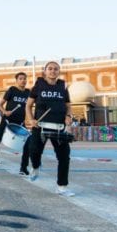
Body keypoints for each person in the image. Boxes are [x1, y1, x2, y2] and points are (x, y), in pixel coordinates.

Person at [24, 61, 75, 196]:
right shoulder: (38, 85)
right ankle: (35, 166)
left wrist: (69, 116)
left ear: (59, 71)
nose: (53, 71)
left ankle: (62, 186)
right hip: (40, 126)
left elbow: (68, 105)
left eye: (56, 69)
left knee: (64, 157)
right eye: (50, 69)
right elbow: (28, 106)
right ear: (45, 71)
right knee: (34, 151)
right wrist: (31, 119)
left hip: (59, 127)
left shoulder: (63, 86)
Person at [0, 72, 31, 174]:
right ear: (16, 81)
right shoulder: (12, 90)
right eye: (20, 79)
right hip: (7, 121)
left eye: (24, 78)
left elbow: (29, 107)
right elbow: (0, 105)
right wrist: (4, 112)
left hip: (20, 122)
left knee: (28, 144)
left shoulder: (28, 93)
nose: (23, 80)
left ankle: (23, 167)